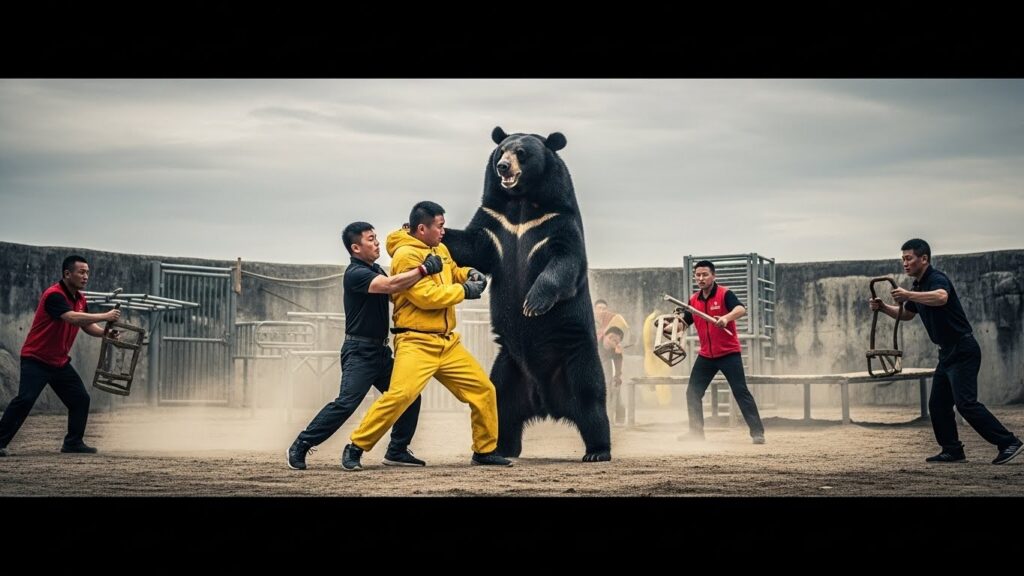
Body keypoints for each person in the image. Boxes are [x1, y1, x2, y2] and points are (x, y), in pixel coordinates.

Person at [341, 201, 511, 470]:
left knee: (483, 391)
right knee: (399, 396)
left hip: (447, 343)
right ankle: (356, 447)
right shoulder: (406, 256)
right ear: (422, 229)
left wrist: (468, 273)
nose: (444, 231)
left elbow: (452, 272)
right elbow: (425, 297)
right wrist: (465, 291)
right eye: (440, 226)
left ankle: (484, 450)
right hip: (415, 341)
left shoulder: (439, 249)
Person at [286, 221, 444, 470]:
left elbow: (398, 287)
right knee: (347, 402)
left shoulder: (377, 269)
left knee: (409, 396)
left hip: (380, 352)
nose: (377, 242)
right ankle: (301, 444)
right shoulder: (355, 274)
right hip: (359, 352)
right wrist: (424, 269)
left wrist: (408, 237)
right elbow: (392, 286)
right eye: (371, 239)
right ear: (355, 248)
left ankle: (397, 451)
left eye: (376, 237)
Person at [870, 238, 1023, 465]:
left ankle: (1008, 442)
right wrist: (883, 308)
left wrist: (908, 296)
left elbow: (941, 298)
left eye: (909, 258)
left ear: (924, 259)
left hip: (963, 349)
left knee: (966, 404)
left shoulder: (936, 278)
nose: (905, 263)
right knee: (938, 405)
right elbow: (908, 315)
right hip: (947, 353)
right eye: (902, 259)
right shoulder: (919, 286)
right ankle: (952, 450)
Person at [0, 255, 121, 457]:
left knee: (80, 399)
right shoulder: (54, 295)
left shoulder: (81, 299)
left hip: (59, 362)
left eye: (87, 272)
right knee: (25, 400)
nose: (86, 276)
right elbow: (71, 317)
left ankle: (73, 443)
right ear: (67, 274)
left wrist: (104, 332)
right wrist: (105, 316)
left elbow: (85, 324)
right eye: (81, 272)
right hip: (36, 359)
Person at [669, 260, 765, 444]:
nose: (701, 278)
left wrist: (726, 318)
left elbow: (741, 309)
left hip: (729, 353)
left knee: (740, 391)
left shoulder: (724, 294)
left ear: (713, 276)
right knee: (692, 392)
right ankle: (696, 433)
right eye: (698, 275)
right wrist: (671, 327)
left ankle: (757, 432)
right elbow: (684, 323)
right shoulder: (693, 300)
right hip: (706, 355)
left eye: (705, 274)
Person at [594, 300, 629, 424]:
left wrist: (618, 376)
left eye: (604, 308)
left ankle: (617, 415)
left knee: (613, 384)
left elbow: (619, 359)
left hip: (610, 357)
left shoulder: (613, 325)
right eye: (599, 308)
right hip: (596, 358)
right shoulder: (591, 325)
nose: (602, 311)